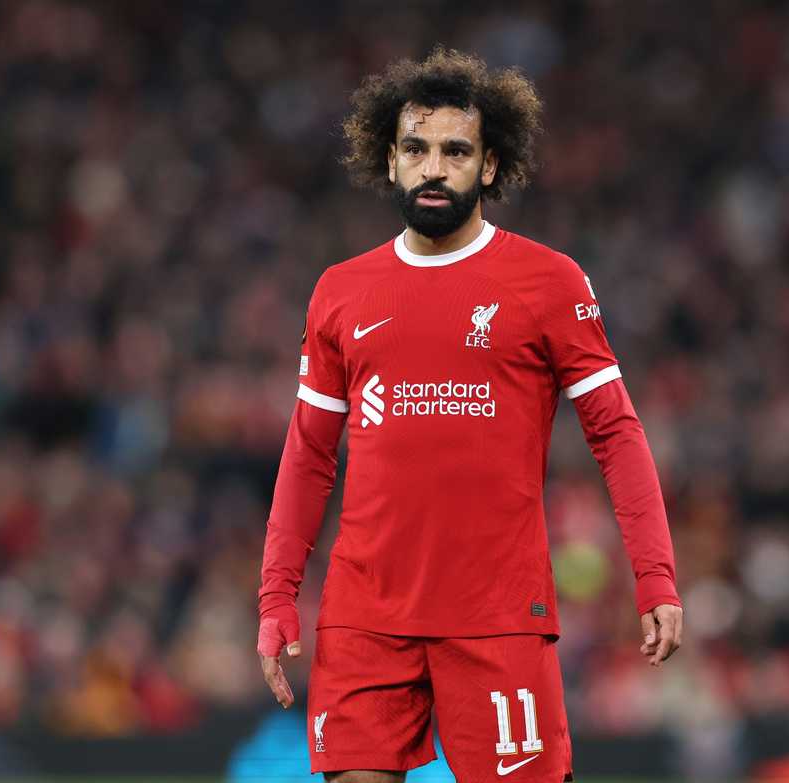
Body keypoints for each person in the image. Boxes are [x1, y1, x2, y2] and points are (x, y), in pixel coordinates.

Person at [257, 47, 683, 783]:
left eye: (456, 151)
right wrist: (276, 595)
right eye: (416, 148)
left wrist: (656, 578)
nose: (433, 167)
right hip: (366, 617)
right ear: (389, 160)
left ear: (489, 166)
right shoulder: (340, 292)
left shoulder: (549, 282)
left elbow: (615, 432)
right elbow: (308, 455)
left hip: (498, 618)